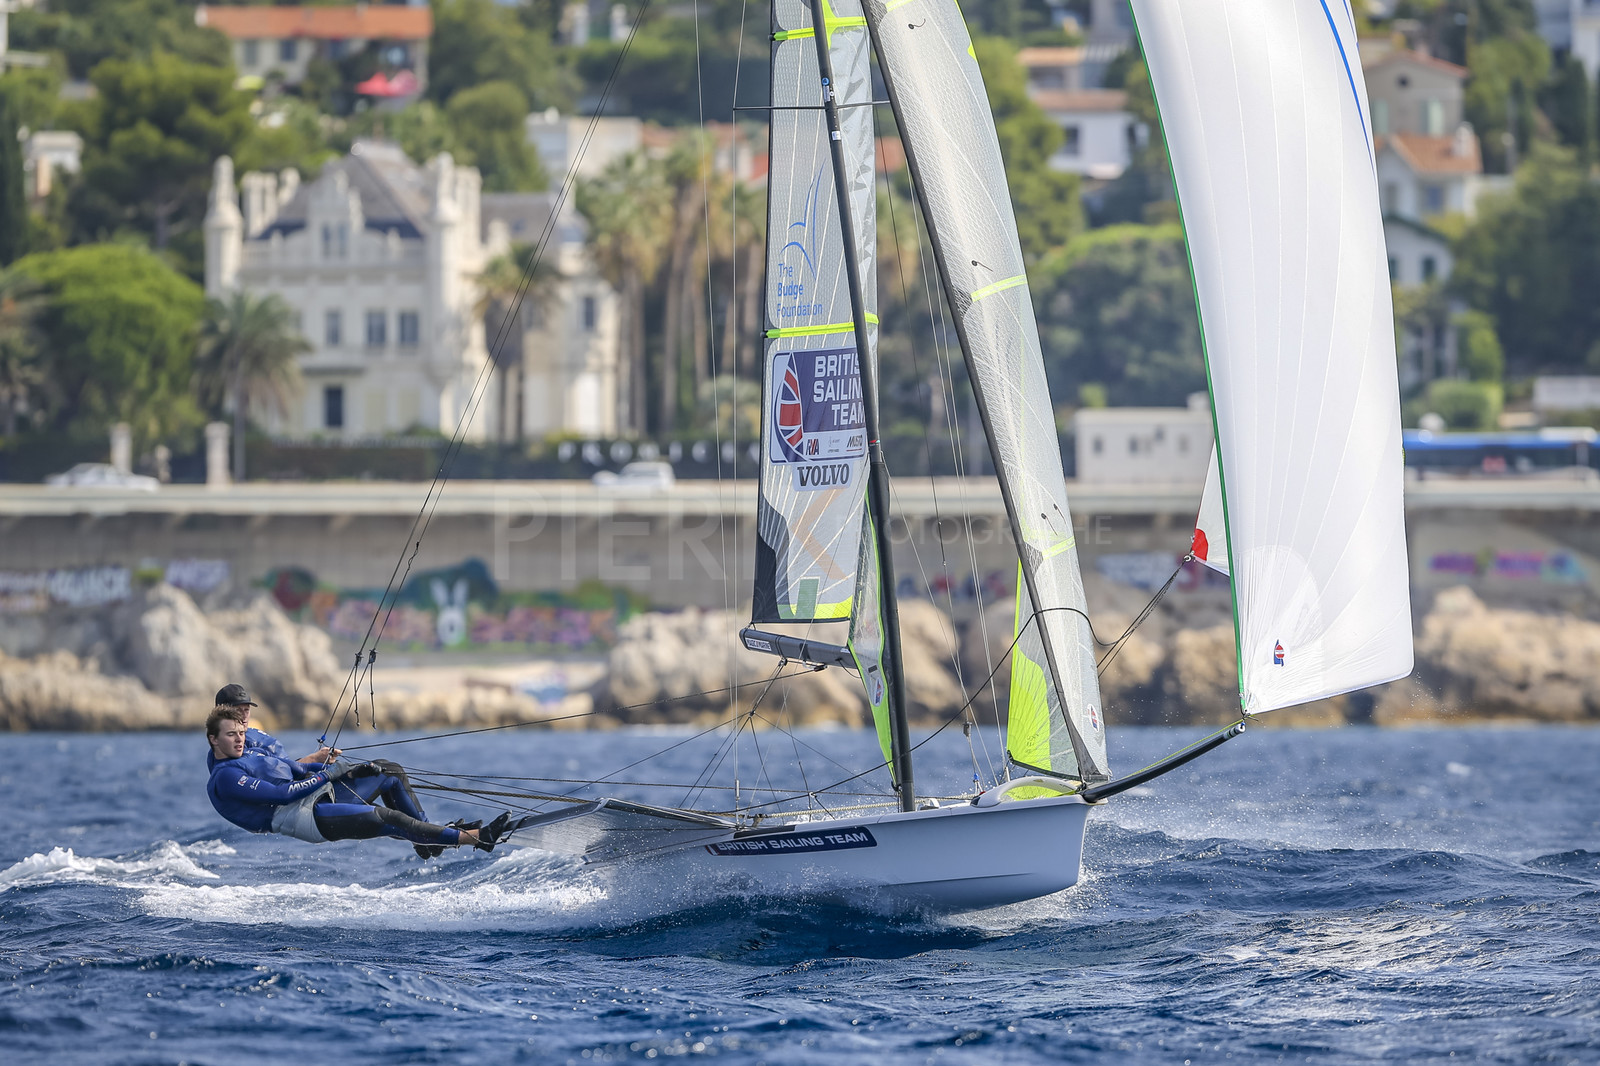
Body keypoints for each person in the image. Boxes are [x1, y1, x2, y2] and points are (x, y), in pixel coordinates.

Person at [205, 707, 511, 855]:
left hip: (318, 795)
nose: (240, 738)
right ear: (213, 739)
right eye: (232, 734)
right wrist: (328, 774)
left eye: (242, 732)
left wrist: (349, 772)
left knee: (387, 771)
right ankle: (477, 838)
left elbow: (296, 772)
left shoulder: (247, 754)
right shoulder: (226, 777)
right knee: (387, 818)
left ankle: (430, 839)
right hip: (303, 817)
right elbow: (283, 795)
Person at [206, 684, 337, 768]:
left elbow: (285, 765)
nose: (244, 716)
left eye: (246, 710)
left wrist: (315, 760)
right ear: (222, 713)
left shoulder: (252, 734)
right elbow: (277, 776)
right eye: (238, 710)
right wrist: (314, 759)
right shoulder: (229, 749)